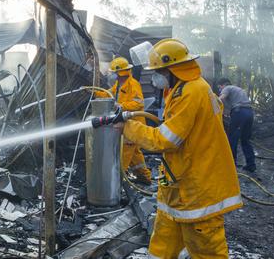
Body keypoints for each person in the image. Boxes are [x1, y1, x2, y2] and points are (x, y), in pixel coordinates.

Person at [114, 39, 242, 258]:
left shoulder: (191, 92)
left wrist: (127, 127)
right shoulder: (181, 88)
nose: (155, 78)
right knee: (162, 244)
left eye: (158, 72)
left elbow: (165, 140)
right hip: (174, 184)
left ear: (172, 69)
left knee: (205, 249)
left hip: (197, 189)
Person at [93, 56, 152, 185]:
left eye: (113, 72)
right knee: (135, 154)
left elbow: (138, 103)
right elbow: (108, 94)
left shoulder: (133, 84)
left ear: (120, 72)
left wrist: (121, 105)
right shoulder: (118, 84)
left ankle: (117, 181)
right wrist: (94, 92)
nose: (111, 75)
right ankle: (145, 177)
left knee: (123, 154)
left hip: (134, 125)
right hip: (126, 123)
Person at [218, 77, 256, 172]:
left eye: (219, 87)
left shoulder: (227, 88)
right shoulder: (238, 90)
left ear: (223, 85)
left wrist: (211, 105)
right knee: (245, 140)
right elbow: (227, 110)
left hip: (239, 112)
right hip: (249, 113)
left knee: (232, 139)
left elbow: (221, 99)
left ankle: (231, 165)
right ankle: (251, 165)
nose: (219, 90)